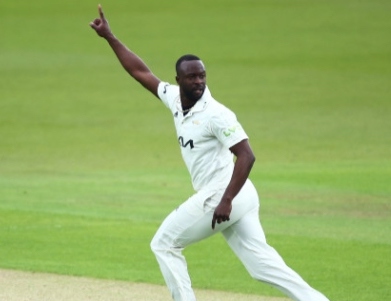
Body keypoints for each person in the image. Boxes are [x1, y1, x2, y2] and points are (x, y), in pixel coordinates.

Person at [89, 5, 330, 301]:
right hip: (236, 194)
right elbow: (140, 72)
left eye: (202, 76)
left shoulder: (216, 114)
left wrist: (226, 200)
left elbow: (247, 155)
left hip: (226, 192)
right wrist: (110, 37)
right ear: (179, 80)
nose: (199, 82)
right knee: (263, 266)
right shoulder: (174, 99)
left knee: (164, 244)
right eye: (191, 77)